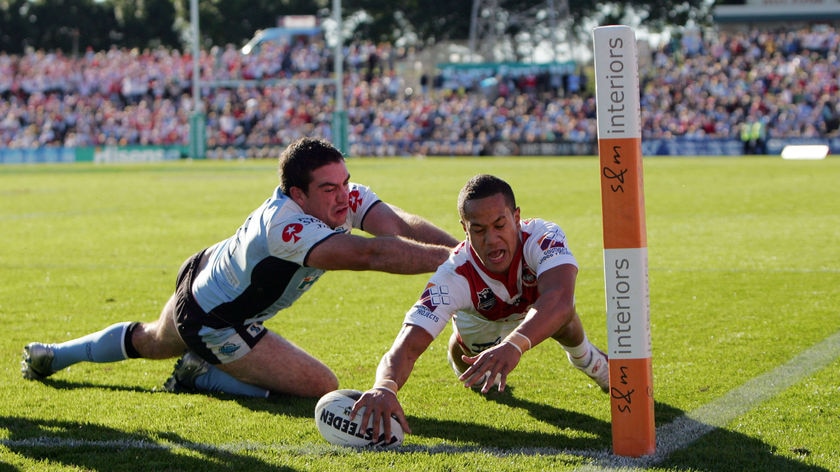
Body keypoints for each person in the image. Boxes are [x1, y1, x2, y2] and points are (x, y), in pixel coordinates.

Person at [21, 137, 458, 399]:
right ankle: (202, 372)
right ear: (297, 194)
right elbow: (372, 254)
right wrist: (458, 261)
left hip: (204, 276)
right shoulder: (286, 226)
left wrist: (460, 249)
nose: (345, 196)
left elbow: (397, 227)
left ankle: (53, 357)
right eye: (330, 189)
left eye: (345, 182)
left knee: (154, 340)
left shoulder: (335, 195)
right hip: (219, 321)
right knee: (323, 385)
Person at [351, 174, 609, 439]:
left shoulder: (544, 236)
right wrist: (384, 386)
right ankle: (458, 347)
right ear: (465, 228)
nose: (492, 239)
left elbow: (561, 298)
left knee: (560, 316)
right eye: (479, 230)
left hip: (535, 304)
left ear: (516, 218)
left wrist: (513, 344)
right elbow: (407, 344)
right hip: (482, 321)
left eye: (500, 225)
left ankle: (591, 361)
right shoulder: (454, 273)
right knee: (472, 363)